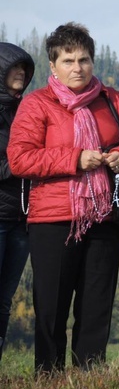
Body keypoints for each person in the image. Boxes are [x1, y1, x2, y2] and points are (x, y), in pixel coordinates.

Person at [7, 23, 119, 373]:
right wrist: (74, 158)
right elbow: (20, 158)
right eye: (68, 60)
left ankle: (91, 379)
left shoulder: (114, 100)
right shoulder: (37, 104)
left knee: (96, 308)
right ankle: (49, 379)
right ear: (53, 66)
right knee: (52, 309)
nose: (78, 68)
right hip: (53, 220)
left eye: (84, 59)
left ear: (93, 60)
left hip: (104, 218)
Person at [0, 43, 34, 362]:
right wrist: (23, 162)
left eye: (24, 68)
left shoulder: (26, 110)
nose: (21, 73)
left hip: (22, 219)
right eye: (14, 68)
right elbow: (20, 161)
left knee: (5, 300)